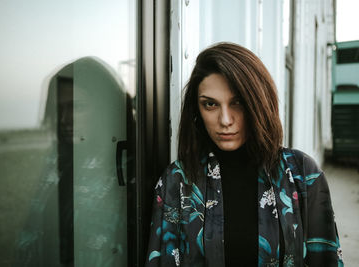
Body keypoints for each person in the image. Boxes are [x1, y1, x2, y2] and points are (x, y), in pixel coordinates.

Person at [145, 42, 343, 267]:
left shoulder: (302, 174)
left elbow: (326, 259)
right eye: (210, 104)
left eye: (237, 102)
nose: (225, 120)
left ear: (258, 103)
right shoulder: (177, 180)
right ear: (196, 111)